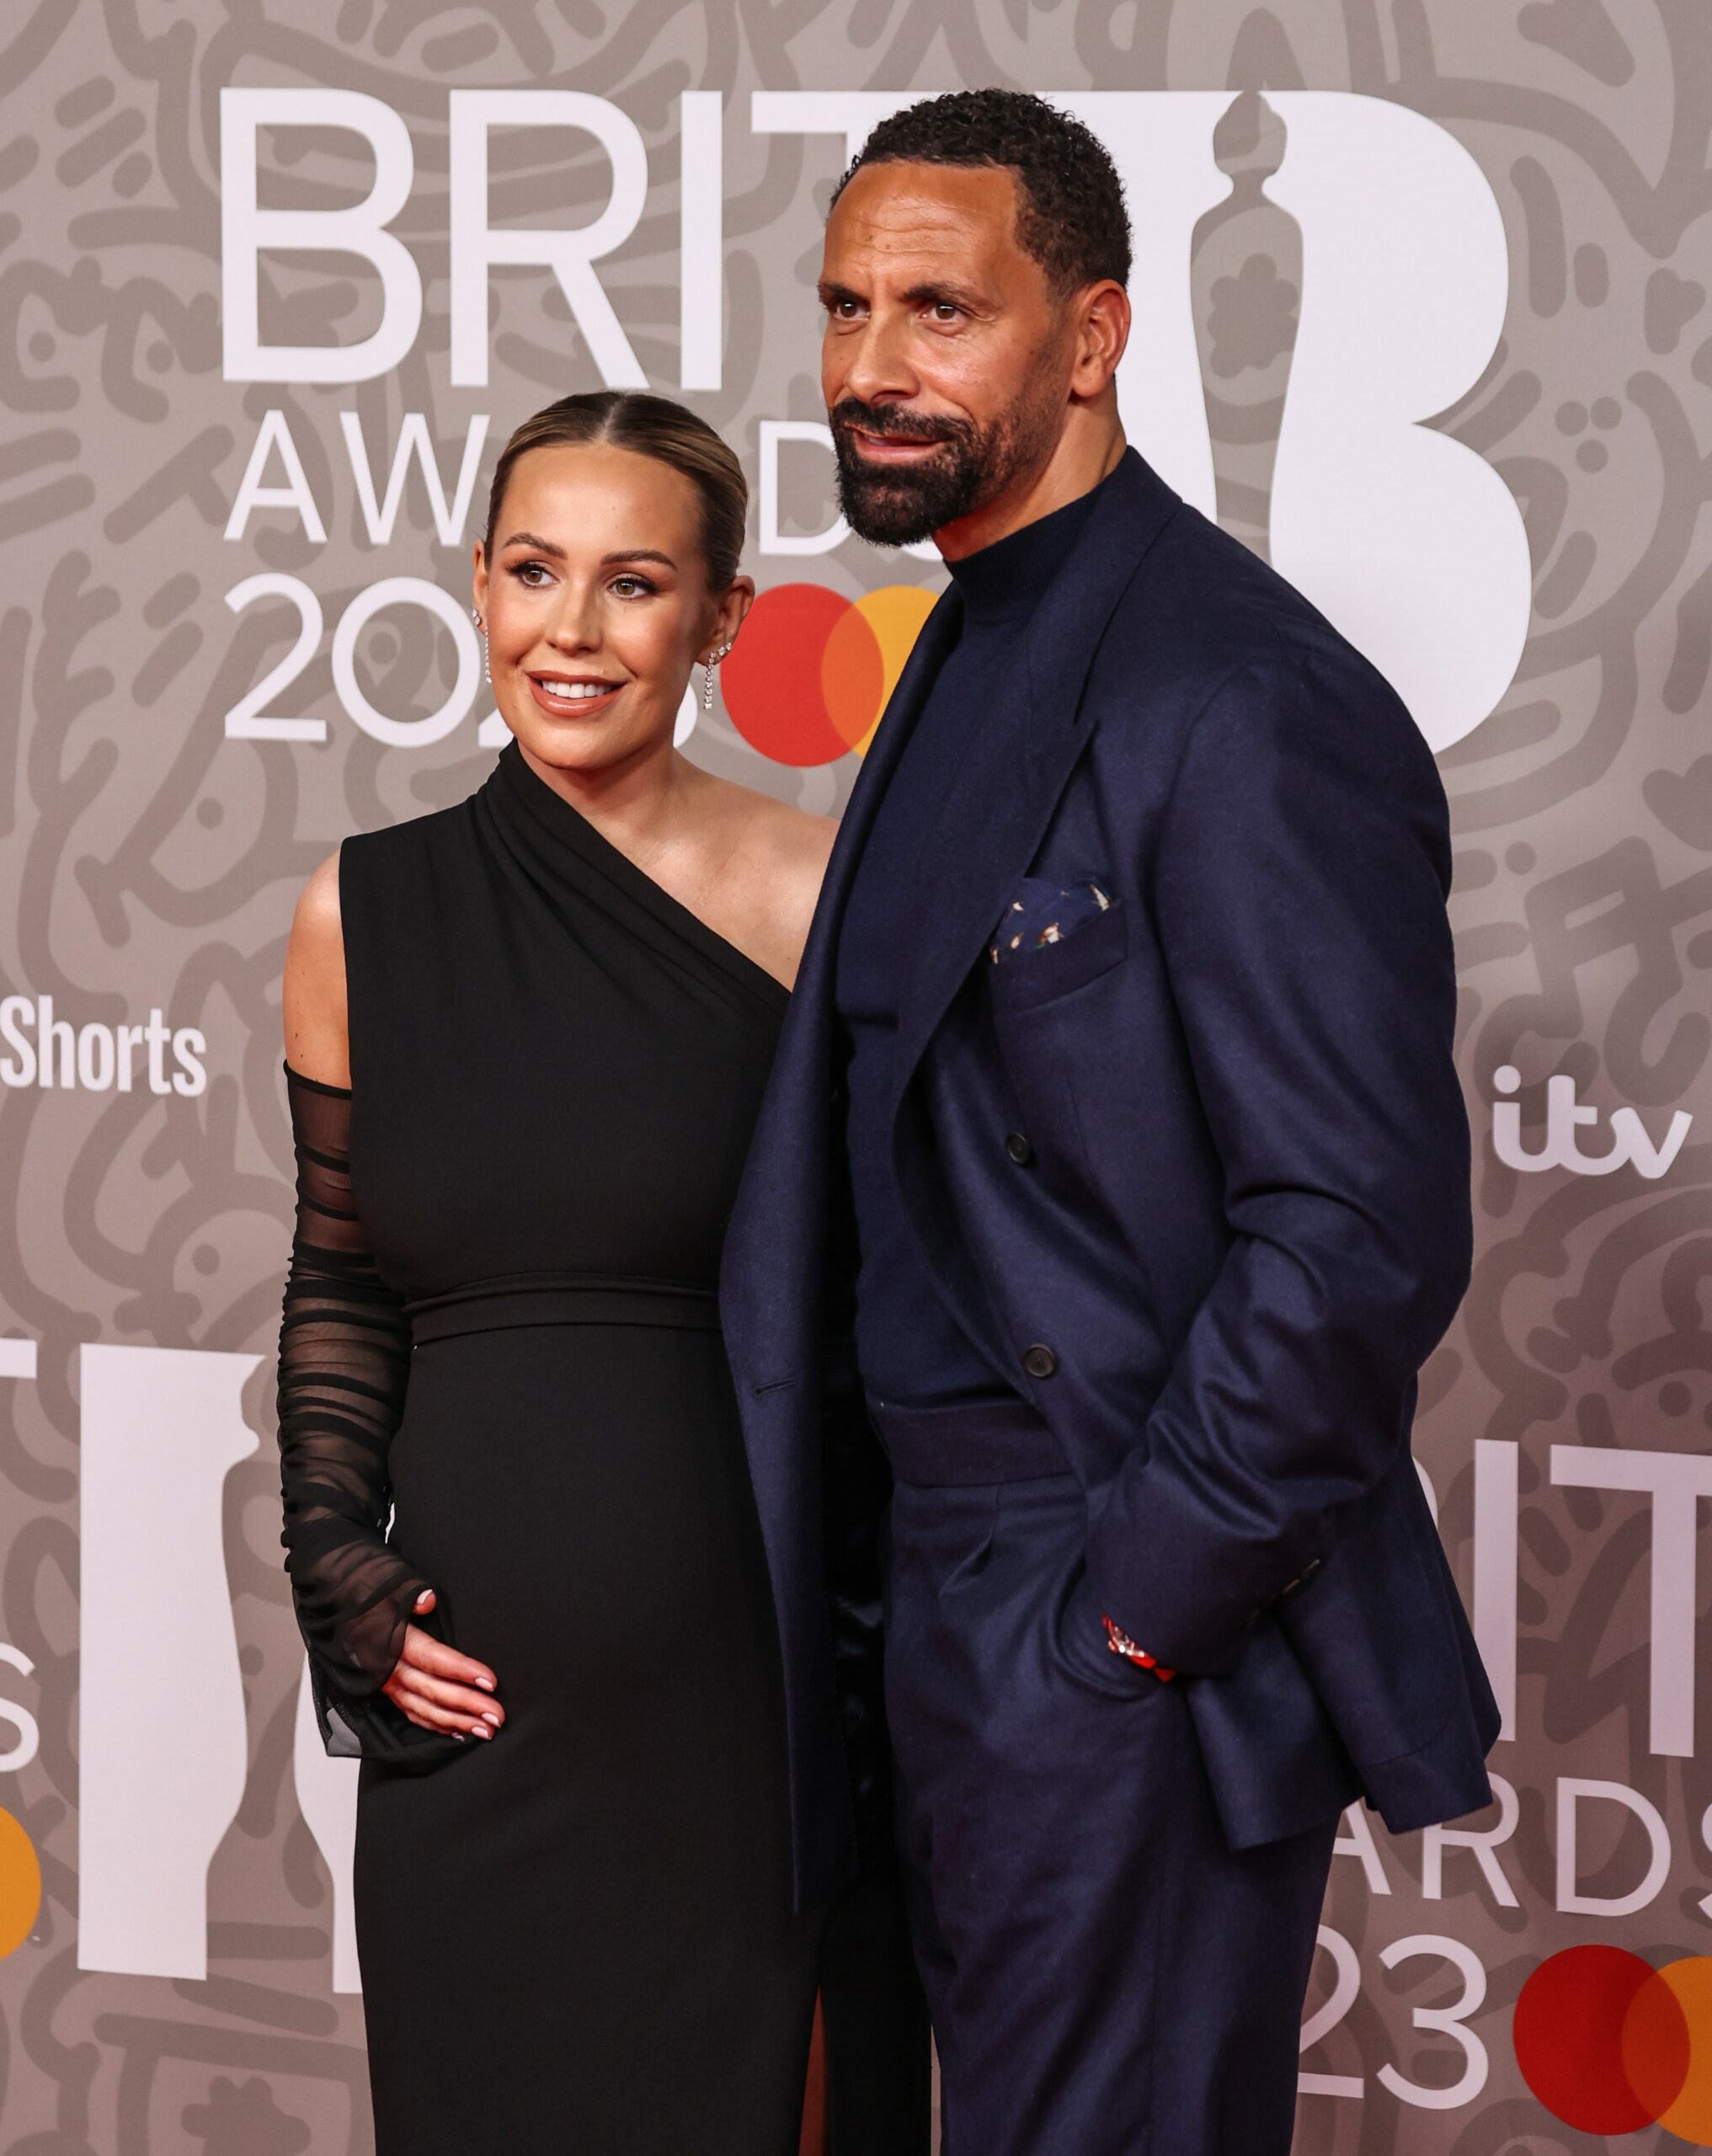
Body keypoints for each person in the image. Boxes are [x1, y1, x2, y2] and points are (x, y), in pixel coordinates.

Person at [720, 88, 1501, 2155]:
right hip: (917, 1597)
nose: (875, 365)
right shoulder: (964, 637)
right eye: (846, 307)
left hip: (1097, 1606)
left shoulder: (1233, 693)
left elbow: (1355, 1224)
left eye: (941, 311)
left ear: (1092, 335)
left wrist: (1129, 1615)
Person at [276, 392, 841, 2155]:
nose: (570, 632)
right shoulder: (360, 910)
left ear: (722, 618)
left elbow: (906, 1284)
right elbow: (341, 1280)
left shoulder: (821, 893)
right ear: (478, 585)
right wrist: (332, 1564)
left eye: (633, 583)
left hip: (745, 1707)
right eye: (534, 572)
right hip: (477, 1730)